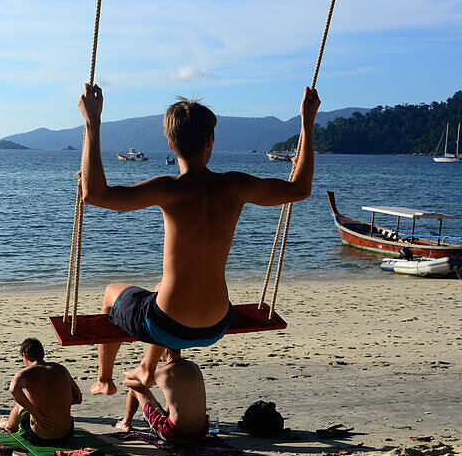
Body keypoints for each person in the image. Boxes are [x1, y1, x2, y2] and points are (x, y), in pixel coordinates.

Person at [78, 83, 320, 394]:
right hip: (217, 325)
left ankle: (104, 380)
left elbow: (94, 194)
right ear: (210, 141)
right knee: (158, 291)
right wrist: (307, 122)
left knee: (113, 292)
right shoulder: (235, 185)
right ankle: (145, 367)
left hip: (168, 325)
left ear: (169, 144)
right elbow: (300, 189)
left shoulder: (169, 188)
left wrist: (92, 122)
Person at [0, 338, 82, 445]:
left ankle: (7, 424)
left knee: (20, 403)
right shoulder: (62, 369)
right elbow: (78, 398)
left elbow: (14, 389)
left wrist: (36, 414)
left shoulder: (26, 373)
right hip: (67, 435)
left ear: (25, 356)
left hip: (38, 436)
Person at [114, 349, 208, 443]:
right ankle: (165, 414)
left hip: (175, 433)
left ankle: (125, 423)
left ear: (165, 349)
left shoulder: (163, 371)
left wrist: (128, 374)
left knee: (135, 389)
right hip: (202, 431)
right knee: (177, 391)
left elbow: (127, 382)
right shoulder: (194, 366)